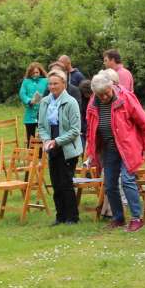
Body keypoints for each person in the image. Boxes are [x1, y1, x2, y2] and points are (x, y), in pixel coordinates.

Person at [85, 69, 145, 232]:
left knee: (127, 180)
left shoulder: (126, 98)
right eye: (100, 95)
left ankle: (137, 218)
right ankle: (118, 218)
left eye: (106, 93)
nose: (104, 97)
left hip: (128, 147)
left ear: (112, 86)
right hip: (108, 148)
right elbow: (90, 128)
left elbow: (144, 123)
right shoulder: (93, 103)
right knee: (109, 184)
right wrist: (91, 151)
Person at [38, 68, 83, 224]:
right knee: (56, 183)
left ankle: (72, 217)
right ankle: (60, 216)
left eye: (55, 83)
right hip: (51, 146)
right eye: (50, 84)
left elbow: (75, 130)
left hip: (67, 147)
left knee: (66, 183)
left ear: (63, 83)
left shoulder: (71, 102)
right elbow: (42, 126)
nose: (52, 87)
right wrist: (45, 140)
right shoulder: (45, 102)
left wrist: (57, 141)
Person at [18, 62, 48, 143]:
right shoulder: (26, 81)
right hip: (30, 113)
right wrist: (29, 101)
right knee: (30, 138)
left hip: (43, 113)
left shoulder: (45, 81)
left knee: (42, 137)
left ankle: (41, 154)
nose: (35, 74)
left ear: (40, 72)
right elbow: (22, 93)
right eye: (33, 72)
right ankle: (30, 154)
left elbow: (49, 92)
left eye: (37, 72)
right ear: (30, 73)